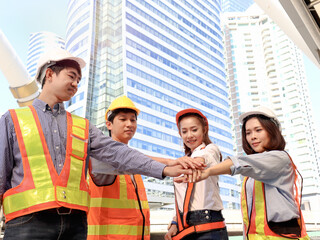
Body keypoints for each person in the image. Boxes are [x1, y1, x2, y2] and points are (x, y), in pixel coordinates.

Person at [0, 48, 195, 240]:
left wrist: (164, 169)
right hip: (27, 222)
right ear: (50, 74)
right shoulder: (13, 120)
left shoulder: (82, 126)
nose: (76, 83)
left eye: (79, 79)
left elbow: (120, 153)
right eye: (72, 76)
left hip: (75, 225)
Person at [181, 106, 310, 239]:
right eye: (248, 133)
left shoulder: (280, 158)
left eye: (258, 130)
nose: (253, 137)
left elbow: (239, 163)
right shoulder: (252, 174)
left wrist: (208, 172)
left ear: (272, 131)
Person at [87, 95, 151, 240]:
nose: (129, 124)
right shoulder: (102, 158)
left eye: (133, 120)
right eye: (123, 119)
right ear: (109, 125)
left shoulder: (133, 166)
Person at [165, 108, 229, 240]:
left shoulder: (210, 149)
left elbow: (206, 156)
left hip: (209, 223)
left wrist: (197, 162)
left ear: (204, 130)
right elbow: (182, 199)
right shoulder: (182, 163)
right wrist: (175, 222)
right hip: (185, 226)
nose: (189, 135)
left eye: (194, 130)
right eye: (184, 131)